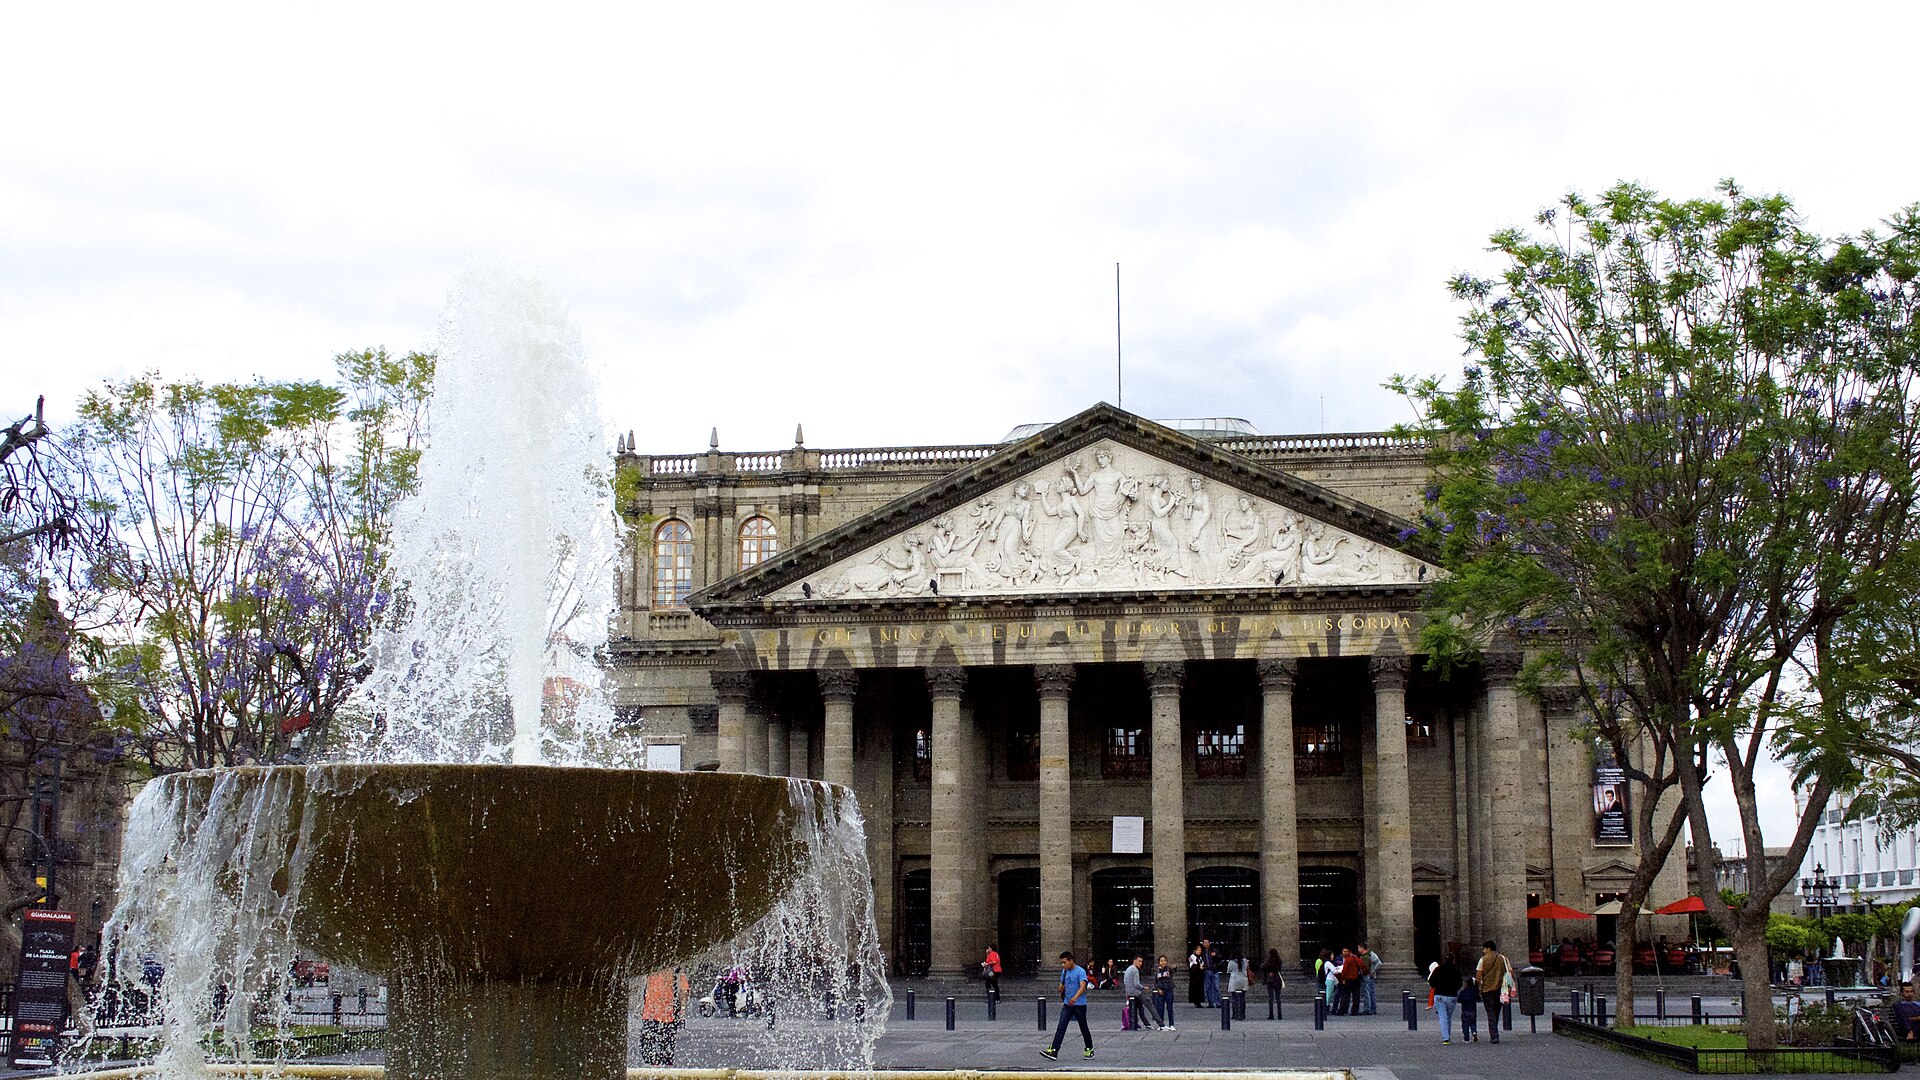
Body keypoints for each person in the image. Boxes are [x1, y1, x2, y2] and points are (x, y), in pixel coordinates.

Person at [1041, 950, 1094, 1060]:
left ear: (1071, 961)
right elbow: (1062, 985)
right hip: (1067, 1004)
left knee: (1083, 1027)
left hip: (1079, 1005)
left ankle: (1089, 1049)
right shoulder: (1064, 972)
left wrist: (1075, 997)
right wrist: (1061, 989)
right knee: (1061, 1026)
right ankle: (1054, 1050)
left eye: (1065, 962)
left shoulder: (1080, 971)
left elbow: (1083, 986)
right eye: (1062, 963)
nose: (1063, 965)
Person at [639, 967, 691, 1066]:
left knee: (665, 1052)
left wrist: (682, 1013)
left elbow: (684, 991)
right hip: (651, 1014)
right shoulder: (651, 967)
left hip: (667, 1016)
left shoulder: (676, 969)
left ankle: (660, 1070)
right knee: (648, 1049)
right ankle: (656, 1070)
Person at [1475, 941, 1511, 1044]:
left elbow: (1478, 974)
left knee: (1490, 1012)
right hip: (1500, 989)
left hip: (1487, 989)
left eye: (1484, 948)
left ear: (1489, 948)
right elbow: (1510, 972)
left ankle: (1494, 1035)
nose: (1483, 951)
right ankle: (1494, 1032)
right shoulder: (1503, 958)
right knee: (1496, 1011)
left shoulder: (1483, 959)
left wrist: (1478, 984)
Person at [1427, 953, 1463, 1044]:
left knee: (1442, 1016)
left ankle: (1445, 1038)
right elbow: (1459, 984)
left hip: (1439, 995)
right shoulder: (1456, 971)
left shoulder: (1438, 969)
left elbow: (1431, 981)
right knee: (1448, 1017)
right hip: (1452, 996)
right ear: (1453, 960)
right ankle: (1447, 1036)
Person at [1123, 955, 1159, 1030]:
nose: (1141, 963)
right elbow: (1136, 984)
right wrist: (1143, 988)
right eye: (1139, 961)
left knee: (1140, 1008)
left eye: (1141, 961)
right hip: (1136, 992)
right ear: (1134, 961)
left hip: (1130, 992)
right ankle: (1161, 1023)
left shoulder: (1128, 969)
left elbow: (1125, 982)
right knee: (1149, 1005)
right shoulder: (1135, 970)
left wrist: (1127, 994)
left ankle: (1147, 1024)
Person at [1457, 952, 1482, 1042]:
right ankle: (1474, 1032)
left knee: (1465, 1024)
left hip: (1465, 1011)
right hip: (1473, 1010)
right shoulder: (1474, 992)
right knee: (1473, 1023)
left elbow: (1459, 999)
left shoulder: (1463, 992)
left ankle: (1466, 1038)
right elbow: (1479, 999)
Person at [1154, 955, 1177, 1030]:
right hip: (1161, 990)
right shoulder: (1157, 971)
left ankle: (1171, 1024)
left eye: (1164, 961)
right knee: (1160, 1008)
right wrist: (1158, 989)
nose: (1163, 962)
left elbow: (1173, 971)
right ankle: (1161, 1024)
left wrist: (1175, 967)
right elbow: (1156, 982)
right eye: (1161, 961)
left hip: (1169, 990)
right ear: (1159, 963)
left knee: (1169, 1007)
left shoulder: (1169, 969)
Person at [1357, 942, 1380, 1015]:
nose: (1358, 949)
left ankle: (1369, 1009)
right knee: (1370, 992)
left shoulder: (1370, 955)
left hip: (1369, 976)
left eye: (1358, 948)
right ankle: (1372, 1008)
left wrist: (1373, 971)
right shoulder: (1366, 955)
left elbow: (1379, 963)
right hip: (1370, 975)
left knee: (1368, 992)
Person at [1262, 948, 1286, 1020]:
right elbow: (1279, 968)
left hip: (1270, 979)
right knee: (1278, 998)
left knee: (1271, 998)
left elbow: (1262, 967)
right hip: (1277, 979)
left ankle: (1271, 1014)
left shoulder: (1269, 961)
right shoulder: (1279, 961)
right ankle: (1279, 1014)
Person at [1202, 939, 1223, 1008]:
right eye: (1205, 943)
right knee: (1208, 988)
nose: (1206, 944)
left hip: (1214, 970)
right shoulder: (1202, 952)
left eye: (1207, 942)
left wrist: (1215, 955)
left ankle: (1218, 1002)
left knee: (1216, 987)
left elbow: (1220, 957)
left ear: (1209, 943)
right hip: (1206, 970)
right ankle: (1210, 1003)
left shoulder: (1214, 950)